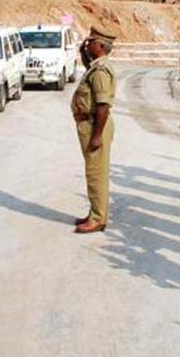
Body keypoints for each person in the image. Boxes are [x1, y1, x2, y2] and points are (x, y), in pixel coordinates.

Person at [72, 26, 118, 234]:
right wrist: (83, 52)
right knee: (94, 171)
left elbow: (102, 105)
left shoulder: (101, 71)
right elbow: (88, 67)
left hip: (94, 125)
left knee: (96, 173)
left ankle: (98, 218)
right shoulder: (96, 66)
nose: (88, 44)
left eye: (91, 42)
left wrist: (97, 135)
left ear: (100, 46)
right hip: (90, 124)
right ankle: (95, 212)